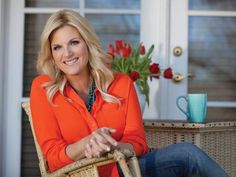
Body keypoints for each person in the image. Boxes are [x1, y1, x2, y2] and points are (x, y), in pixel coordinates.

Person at [30, 9, 229, 177]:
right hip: (80, 173)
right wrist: (87, 144)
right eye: (57, 47)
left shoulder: (121, 83)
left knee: (188, 153)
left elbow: (138, 142)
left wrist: (112, 147)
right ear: (52, 55)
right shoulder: (43, 88)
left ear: (88, 44)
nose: (67, 53)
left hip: (126, 169)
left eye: (74, 42)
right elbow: (53, 158)